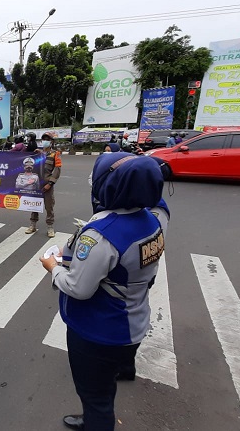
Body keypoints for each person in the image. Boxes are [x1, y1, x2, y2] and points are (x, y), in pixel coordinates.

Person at [40, 152, 168, 431]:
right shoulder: (153, 220)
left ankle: (95, 421)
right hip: (133, 322)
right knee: (105, 384)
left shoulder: (102, 234)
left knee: (95, 397)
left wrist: (53, 267)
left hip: (99, 332)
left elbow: (78, 288)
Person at [26, 132, 61, 238]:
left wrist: (50, 183)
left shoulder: (55, 154)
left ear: (52, 142)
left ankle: (50, 227)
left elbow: (57, 170)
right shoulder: (38, 153)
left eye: (48, 139)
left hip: (47, 184)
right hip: (36, 183)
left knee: (49, 206)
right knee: (34, 205)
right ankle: (33, 225)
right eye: (44, 139)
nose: (45, 141)